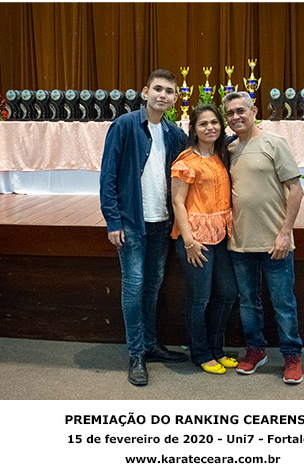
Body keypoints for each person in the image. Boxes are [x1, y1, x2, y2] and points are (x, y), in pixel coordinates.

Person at [100, 69, 189, 387]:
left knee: (153, 286)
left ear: (175, 99)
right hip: (132, 224)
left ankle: (151, 345)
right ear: (145, 92)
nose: (163, 95)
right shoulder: (124, 126)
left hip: (161, 223)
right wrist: (113, 220)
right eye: (158, 89)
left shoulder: (174, 132)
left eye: (169, 91)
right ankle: (136, 354)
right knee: (134, 287)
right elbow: (108, 175)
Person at [222, 91, 304, 384]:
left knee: (283, 303)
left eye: (240, 110)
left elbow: (296, 189)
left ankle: (292, 356)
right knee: (248, 302)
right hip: (240, 241)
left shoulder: (274, 143)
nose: (236, 117)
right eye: (230, 113)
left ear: (254, 110)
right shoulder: (229, 149)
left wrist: (285, 233)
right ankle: (255, 350)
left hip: (275, 242)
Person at [171, 103, 238, 375]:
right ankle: (200, 352)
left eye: (214, 122)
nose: (210, 127)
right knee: (200, 298)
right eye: (203, 124)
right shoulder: (186, 160)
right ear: (194, 129)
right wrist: (189, 241)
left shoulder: (222, 154)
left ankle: (216, 348)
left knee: (228, 292)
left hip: (220, 235)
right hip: (195, 238)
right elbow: (177, 202)